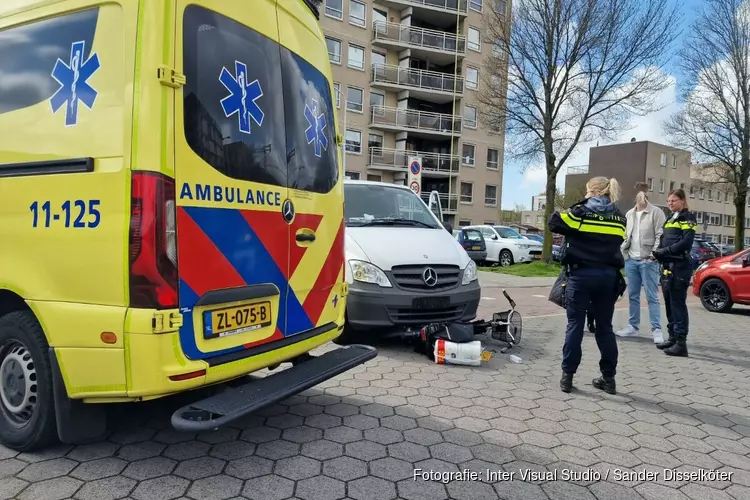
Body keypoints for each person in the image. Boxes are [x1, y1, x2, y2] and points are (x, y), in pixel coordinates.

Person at [549, 176, 627, 395]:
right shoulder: (620, 218)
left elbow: (553, 221)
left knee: (575, 325)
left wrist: (580, 205)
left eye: (586, 191)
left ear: (592, 191)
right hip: (608, 278)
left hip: (580, 276)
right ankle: (609, 379)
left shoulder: (580, 213)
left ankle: (567, 377)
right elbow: (619, 240)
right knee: (605, 328)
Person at [616, 190, 666, 343]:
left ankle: (657, 329)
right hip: (631, 259)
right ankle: (633, 327)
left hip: (648, 260)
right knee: (633, 295)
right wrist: (624, 253)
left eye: (642, 196)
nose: (640, 198)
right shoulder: (629, 213)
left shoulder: (656, 212)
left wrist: (653, 255)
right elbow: (626, 235)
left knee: (652, 296)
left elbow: (660, 235)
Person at [651, 188, 696, 357]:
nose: (670, 203)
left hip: (680, 265)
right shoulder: (670, 218)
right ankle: (672, 337)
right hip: (667, 266)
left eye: (674, 201)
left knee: (678, 304)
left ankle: (681, 343)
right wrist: (658, 252)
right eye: (668, 201)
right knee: (669, 302)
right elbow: (663, 239)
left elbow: (686, 241)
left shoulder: (687, 217)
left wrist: (666, 250)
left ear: (682, 201)